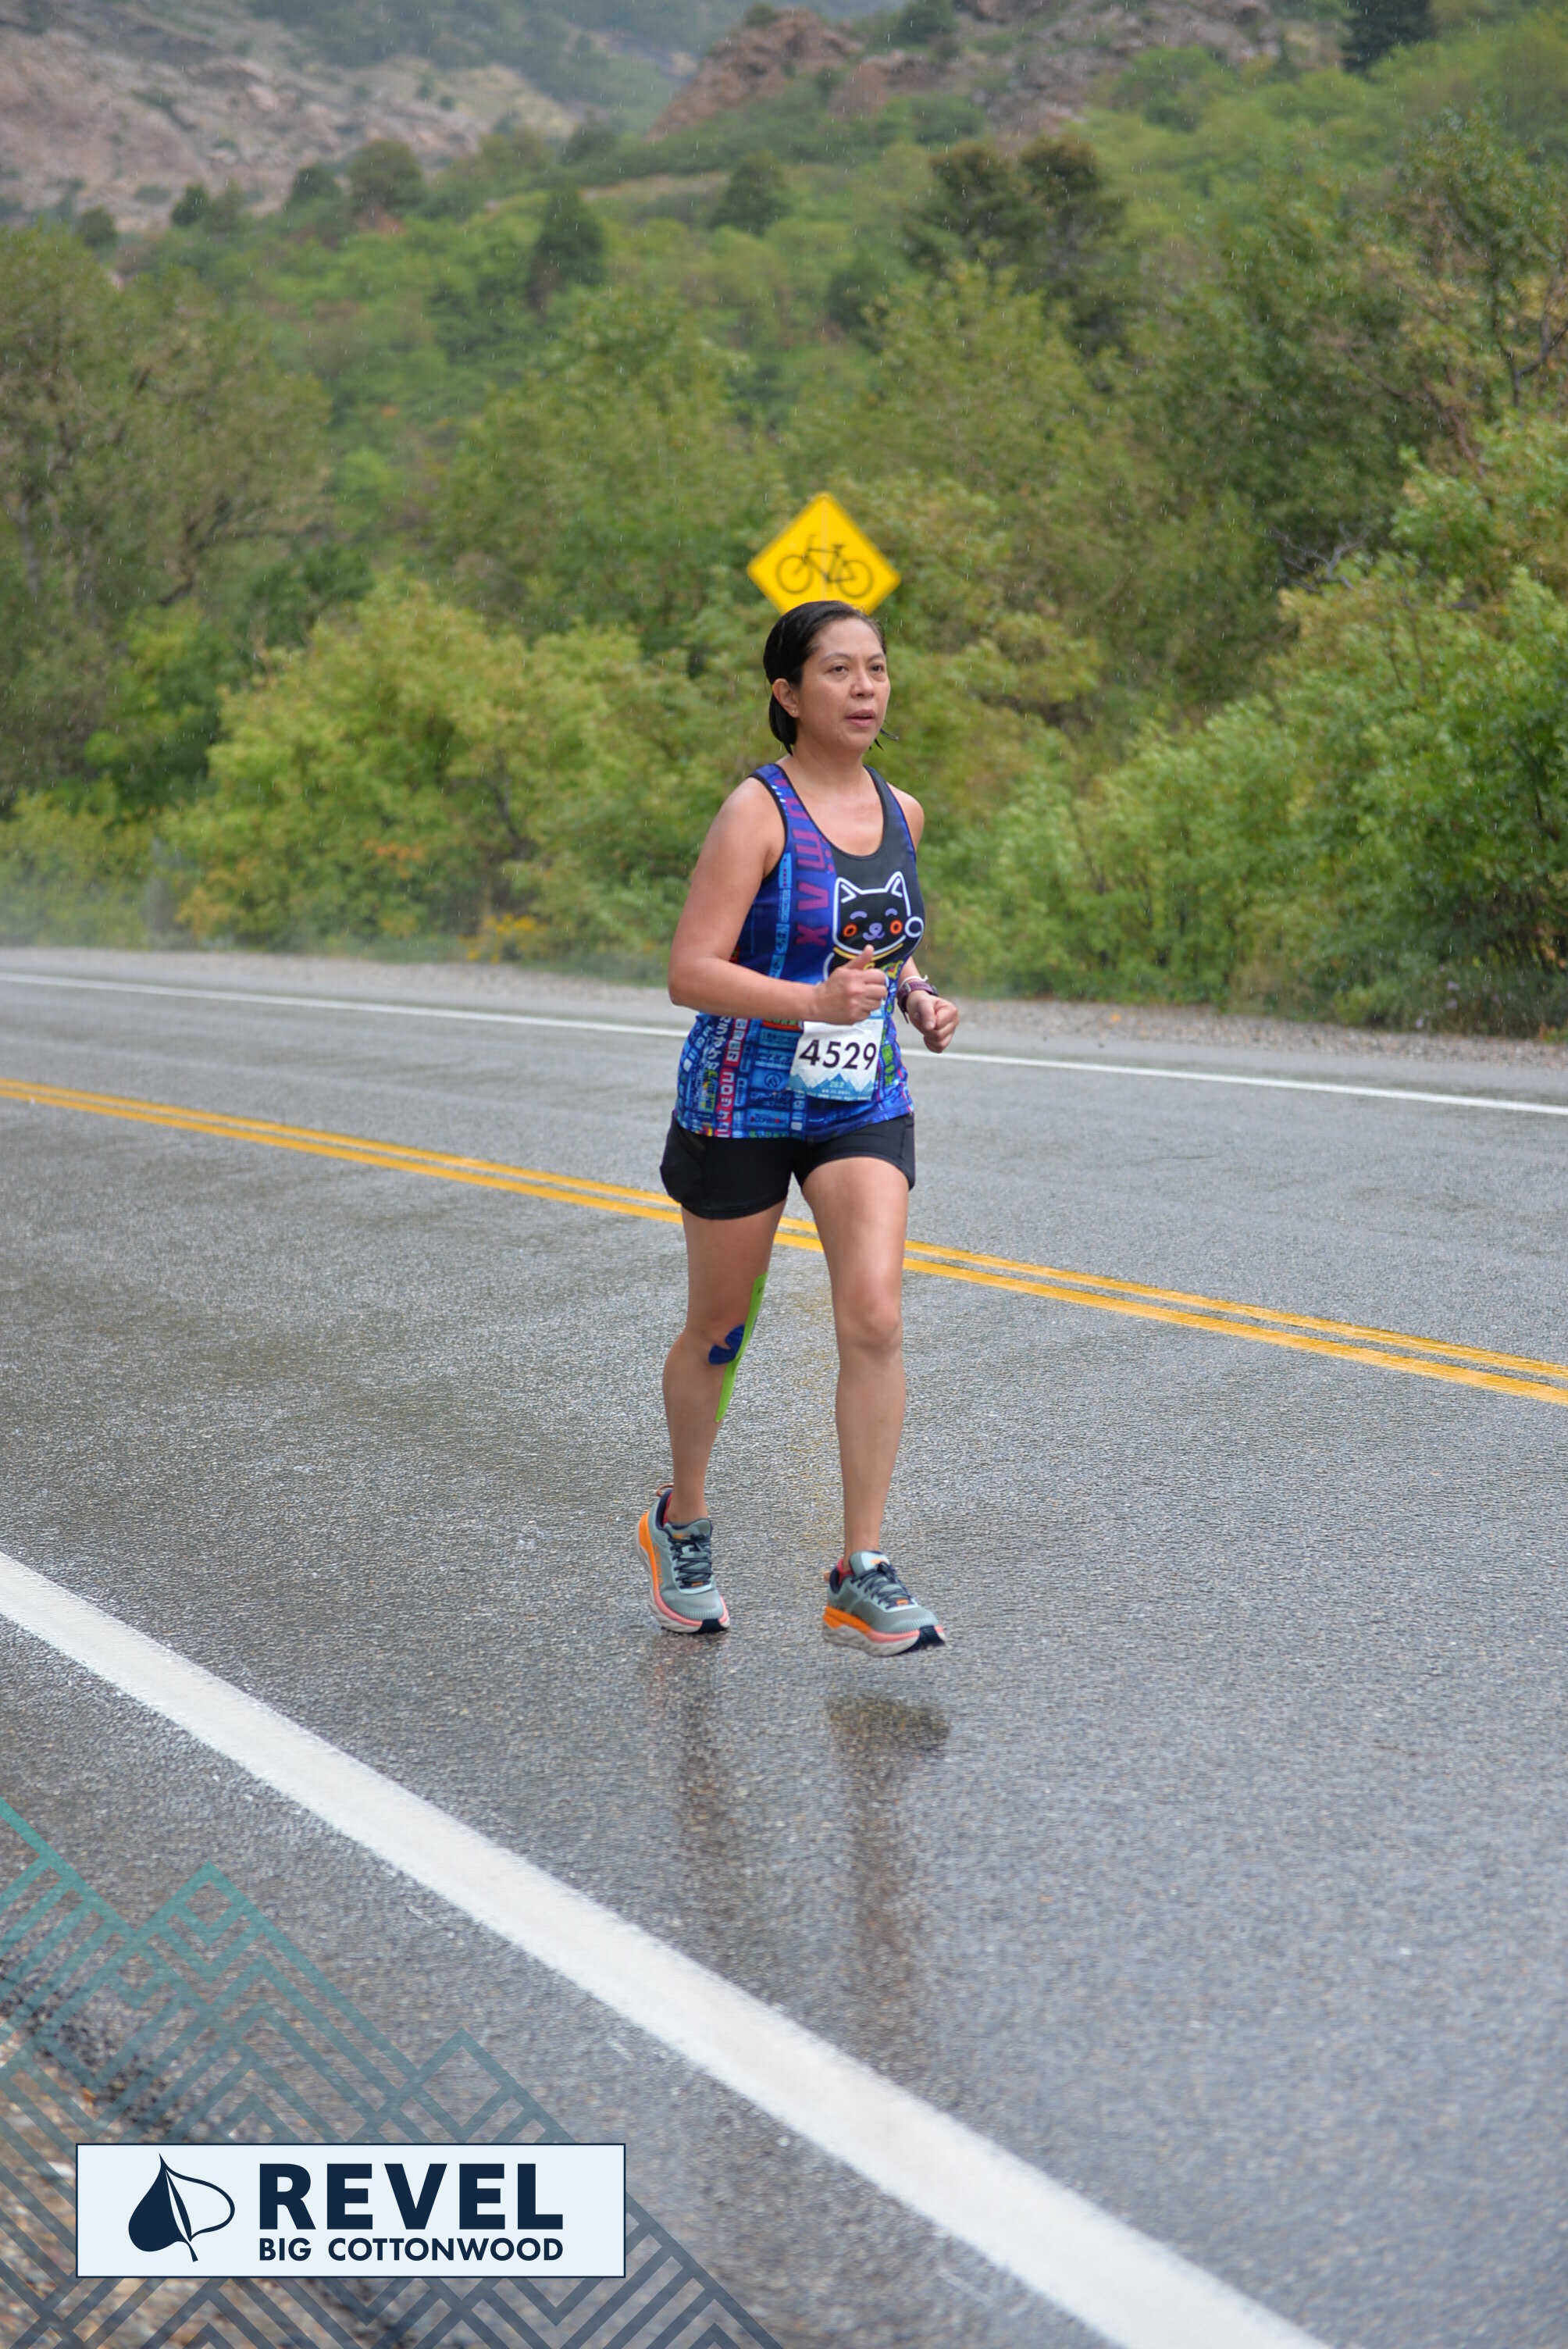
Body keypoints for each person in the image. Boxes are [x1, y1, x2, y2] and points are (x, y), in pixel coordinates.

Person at [636, 599, 960, 1656]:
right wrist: (809, 1003)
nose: (865, 689)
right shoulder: (757, 813)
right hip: (742, 1098)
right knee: (720, 1331)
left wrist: (916, 996)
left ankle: (860, 1568)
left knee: (875, 1316)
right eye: (838, 671)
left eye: (877, 669)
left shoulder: (903, 811)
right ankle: (682, 1521)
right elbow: (691, 970)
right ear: (787, 693)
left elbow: (880, 943)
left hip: (860, 1098)